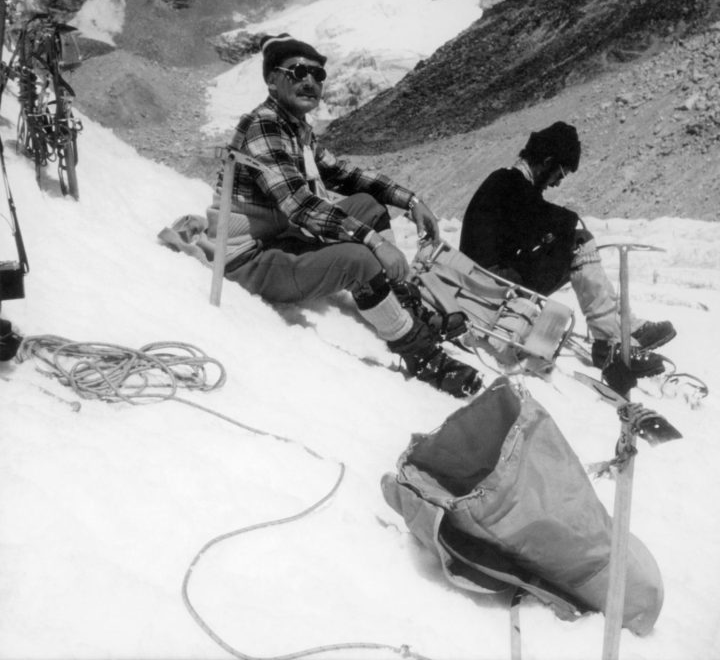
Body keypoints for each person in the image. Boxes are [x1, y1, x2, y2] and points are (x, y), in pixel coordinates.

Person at [206, 33, 481, 399]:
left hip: (280, 238)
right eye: (299, 72)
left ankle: (398, 300)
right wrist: (375, 242)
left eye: (318, 76)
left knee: (368, 204)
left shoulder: (294, 127)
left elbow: (345, 175)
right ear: (272, 80)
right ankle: (420, 353)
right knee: (357, 258)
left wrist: (410, 200)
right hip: (250, 259)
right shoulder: (264, 127)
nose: (310, 82)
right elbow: (300, 206)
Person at [459, 121, 676, 391]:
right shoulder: (509, 183)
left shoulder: (510, 183)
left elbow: (529, 224)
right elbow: (538, 215)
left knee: (574, 240)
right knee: (579, 242)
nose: (558, 182)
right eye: (560, 172)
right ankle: (610, 337)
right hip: (489, 282)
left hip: (493, 275)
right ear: (546, 161)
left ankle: (618, 328)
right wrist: (568, 225)